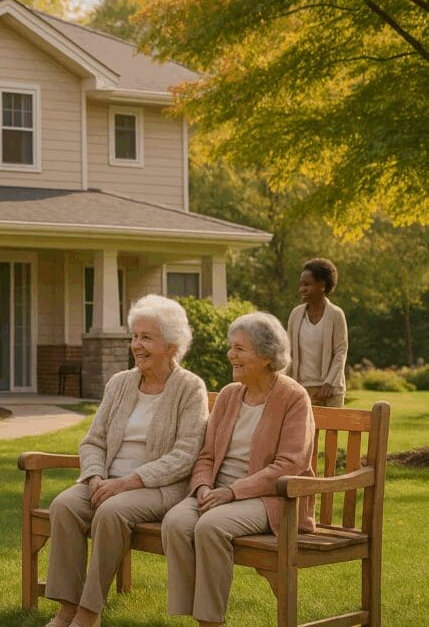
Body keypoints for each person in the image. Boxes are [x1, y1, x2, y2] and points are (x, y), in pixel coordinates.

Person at [44, 294, 209, 627]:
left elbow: (185, 454)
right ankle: (66, 608)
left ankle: (89, 613)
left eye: (147, 338)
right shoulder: (119, 383)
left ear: (172, 346)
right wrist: (93, 478)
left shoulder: (191, 388)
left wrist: (128, 482)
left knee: (111, 511)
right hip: (107, 480)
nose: (137, 345)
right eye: (135, 337)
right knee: (64, 505)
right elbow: (93, 440)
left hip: (159, 487)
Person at [162, 311, 316, 627]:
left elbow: (290, 464)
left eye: (239, 349)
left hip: (272, 499)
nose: (230, 355)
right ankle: (190, 611)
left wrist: (232, 492)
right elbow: (206, 455)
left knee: (211, 526)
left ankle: (210, 621)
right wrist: (203, 487)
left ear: (265, 355)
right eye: (232, 347)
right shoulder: (230, 395)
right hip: (218, 491)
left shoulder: (293, 397)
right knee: (176, 521)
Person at [287, 258, 348, 407]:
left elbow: (341, 351)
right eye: (301, 285)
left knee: (330, 431)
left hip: (329, 391)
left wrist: (329, 383)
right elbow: (287, 352)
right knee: (302, 431)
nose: (302, 289)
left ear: (322, 285)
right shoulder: (296, 314)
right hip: (300, 389)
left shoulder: (336, 314)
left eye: (307, 284)